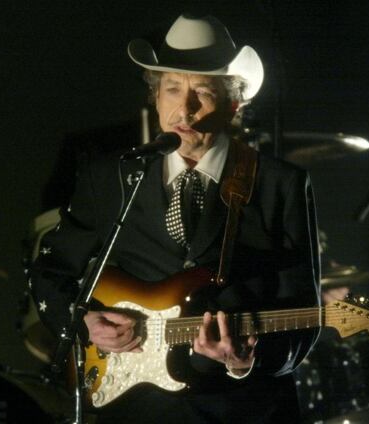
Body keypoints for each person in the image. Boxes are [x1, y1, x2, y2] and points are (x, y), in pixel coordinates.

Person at [29, 14, 321, 423]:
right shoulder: (110, 176)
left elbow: (304, 316)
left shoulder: (279, 183)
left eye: (202, 90)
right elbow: (50, 272)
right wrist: (85, 324)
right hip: (134, 408)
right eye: (171, 88)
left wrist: (244, 361)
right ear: (155, 97)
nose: (184, 108)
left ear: (234, 103)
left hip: (242, 410)